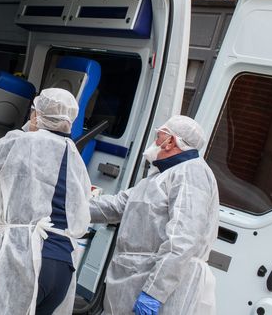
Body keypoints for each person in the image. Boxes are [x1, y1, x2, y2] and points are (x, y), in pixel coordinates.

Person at [0, 88, 92, 315]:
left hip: (24, 260)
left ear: (35, 114)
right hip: (62, 267)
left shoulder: (18, 142)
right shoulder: (75, 157)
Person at [90, 115, 219, 315]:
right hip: (133, 280)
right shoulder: (160, 176)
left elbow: (182, 240)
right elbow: (117, 206)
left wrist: (154, 293)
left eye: (158, 137)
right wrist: (69, 205)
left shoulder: (191, 174)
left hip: (160, 287)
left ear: (171, 142)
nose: (155, 143)